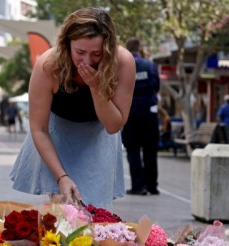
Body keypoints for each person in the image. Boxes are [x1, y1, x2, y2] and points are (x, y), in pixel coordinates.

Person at [10, 8, 135, 208]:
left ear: (109, 48)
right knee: (62, 213)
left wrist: (96, 86)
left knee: (95, 208)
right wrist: (61, 177)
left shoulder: (123, 62)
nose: (87, 61)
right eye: (80, 52)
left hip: (98, 134)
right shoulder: (48, 65)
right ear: (67, 44)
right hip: (54, 135)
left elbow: (113, 126)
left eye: (97, 54)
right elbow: (38, 128)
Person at [121, 37, 161, 196]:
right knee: (151, 151)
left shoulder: (122, 67)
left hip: (131, 114)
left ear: (127, 48)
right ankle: (152, 186)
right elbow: (156, 86)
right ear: (139, 48)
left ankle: (138, 186)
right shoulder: (150, 65)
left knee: (133, 151)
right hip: (149, 114)